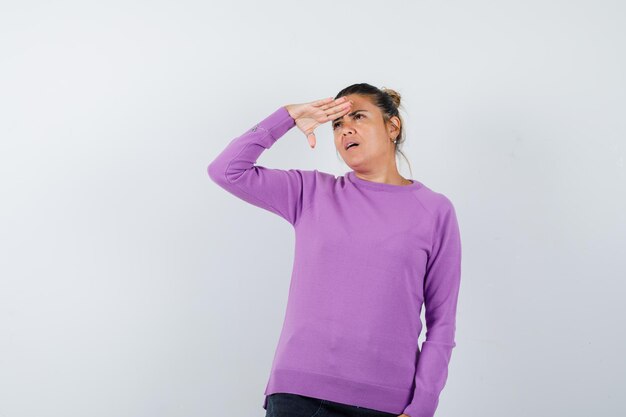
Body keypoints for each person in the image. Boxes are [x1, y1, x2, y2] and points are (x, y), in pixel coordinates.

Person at [207, 83, 462, 417]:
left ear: (392, 126)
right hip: (299, 396)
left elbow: (442, 323)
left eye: (358, 116)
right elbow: (226, 170)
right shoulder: (310, 192)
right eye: (337, 124)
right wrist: (286, 116)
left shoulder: (434, 211)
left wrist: (422, 408)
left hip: (387, 404)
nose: (346, 129)